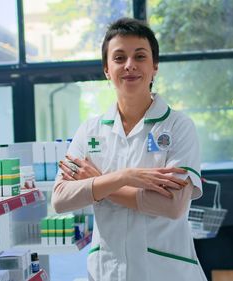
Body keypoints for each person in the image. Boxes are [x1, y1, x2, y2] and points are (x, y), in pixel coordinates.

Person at [51, 17, 207, 281]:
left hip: (165, 271)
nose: (130, 65)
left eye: (140, 56)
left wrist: (96, 184)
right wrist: (123, 177)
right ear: (106, 69)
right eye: (119, 58)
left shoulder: (178, 126)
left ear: (154, 66)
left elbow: (172, 206)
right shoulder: (90, 131)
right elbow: (61, 200)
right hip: (108, 271)